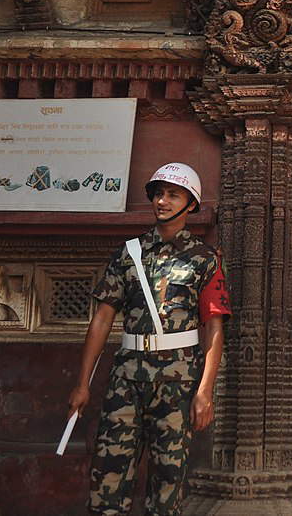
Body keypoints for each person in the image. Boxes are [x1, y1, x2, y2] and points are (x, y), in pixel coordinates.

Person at [68, 162, 229, 516]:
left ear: (191, 204)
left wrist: (204, 392)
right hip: (125, 378)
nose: (162, 201)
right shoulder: (129, 253)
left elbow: (214, 329)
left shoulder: (205, 260)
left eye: (173, 194)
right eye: (158, 194)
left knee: (169, 479)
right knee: (108, 473)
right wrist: (83, 383)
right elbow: (102, 319)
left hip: (178, 381)